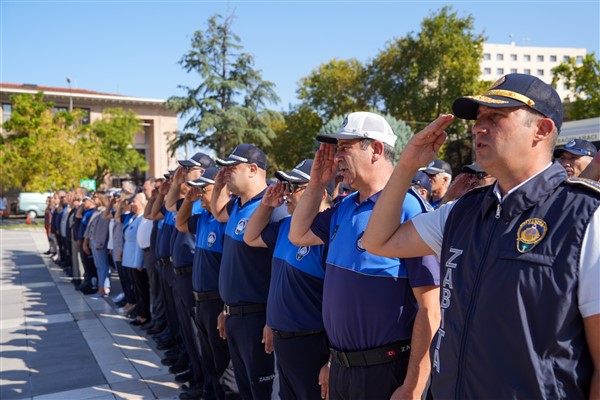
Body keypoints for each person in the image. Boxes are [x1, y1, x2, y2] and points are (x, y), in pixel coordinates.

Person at [363, 73, 600, 399]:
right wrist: (406, 165)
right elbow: (378, 241)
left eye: (496, 116)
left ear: (541, 130)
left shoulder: (585, 215)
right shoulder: (463, 212)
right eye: (478, 118)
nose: (478, 126)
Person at [289, 112, 440, 399]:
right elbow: (298, 234)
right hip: (343, 369)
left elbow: (430, 309)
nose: (337, 157)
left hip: (385, 371)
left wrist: (413, 386)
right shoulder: (345, 207)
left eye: (346, 147)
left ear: (376, 150)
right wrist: (317, 184)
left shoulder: (409, 208)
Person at [244, 159, 333, 400]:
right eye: (286, 187)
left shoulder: (327, 235)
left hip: (313, 343)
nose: (288, 195)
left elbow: (341, 304)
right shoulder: (286, 226)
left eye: (295, 187)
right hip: (284, 340)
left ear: (321, 192)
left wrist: (333, 359)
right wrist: (266, 205)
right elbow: (250, 238)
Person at [211, 144, 287, 400]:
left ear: (253, 169)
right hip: (235, 316)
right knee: (244, 390)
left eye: (232, 168)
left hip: (258, 319)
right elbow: (218, 212)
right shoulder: (238, 206)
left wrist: (271, 321)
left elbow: (281, 273)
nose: (227, 173)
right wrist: (226, 308)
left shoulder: (274, 209)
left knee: (262, 392)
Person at [177, 167, 239, 400]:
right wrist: (188, 199)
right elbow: (180, 223)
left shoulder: (225, 221)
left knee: (223, 362)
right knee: (209, 359)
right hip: (200, 300)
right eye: (199, 189)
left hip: (216, 302)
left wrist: (224, 308)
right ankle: (209, 393)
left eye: (205, 188)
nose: (201, 193)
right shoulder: (203, 218)